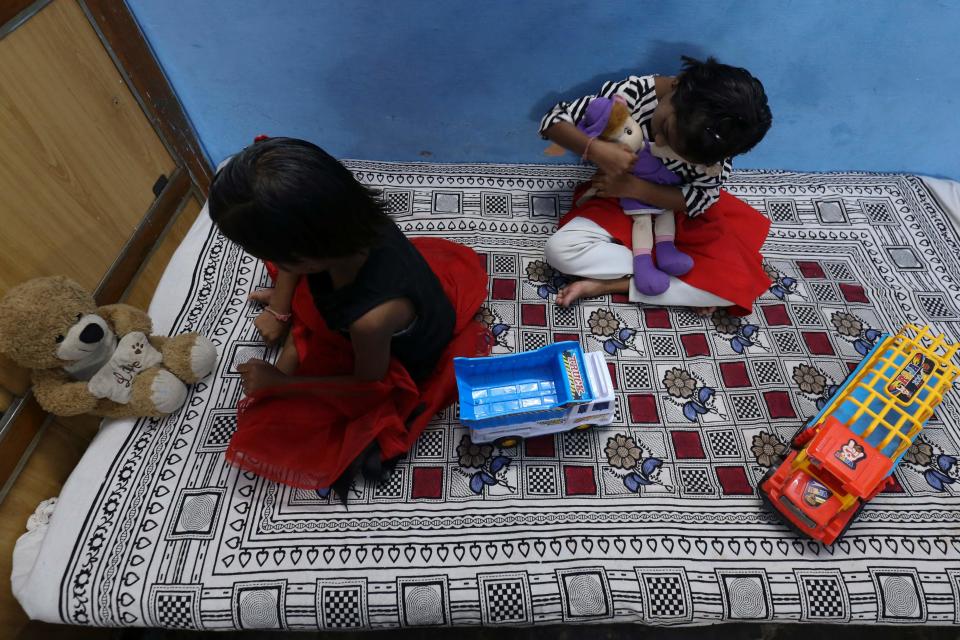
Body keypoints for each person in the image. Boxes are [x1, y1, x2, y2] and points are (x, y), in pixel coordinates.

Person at [208, 137, 488, 494]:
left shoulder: (369, 319)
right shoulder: (349, 218)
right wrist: (280, 306)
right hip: (373, 297)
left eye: (271, 255)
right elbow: (297, 256)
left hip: (393, 352)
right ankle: (291, 310)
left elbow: (367, 385)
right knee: (295, 294)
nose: (269, 262)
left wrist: (281, 383)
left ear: (304, 256)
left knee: (276, 424)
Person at [540, 56, 773, 313]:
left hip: (672, 211)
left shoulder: (715, 148)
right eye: (663, 128)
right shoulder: (634, 94)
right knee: (558, 252)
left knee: (737, 288)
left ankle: (613, 285)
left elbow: (700, 199)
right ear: (678, 86)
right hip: (616, 201)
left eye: (680, 152)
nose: (659, 141)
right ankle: (672, 281)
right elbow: (553, 120)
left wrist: (636, 188)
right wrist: (596, 151)